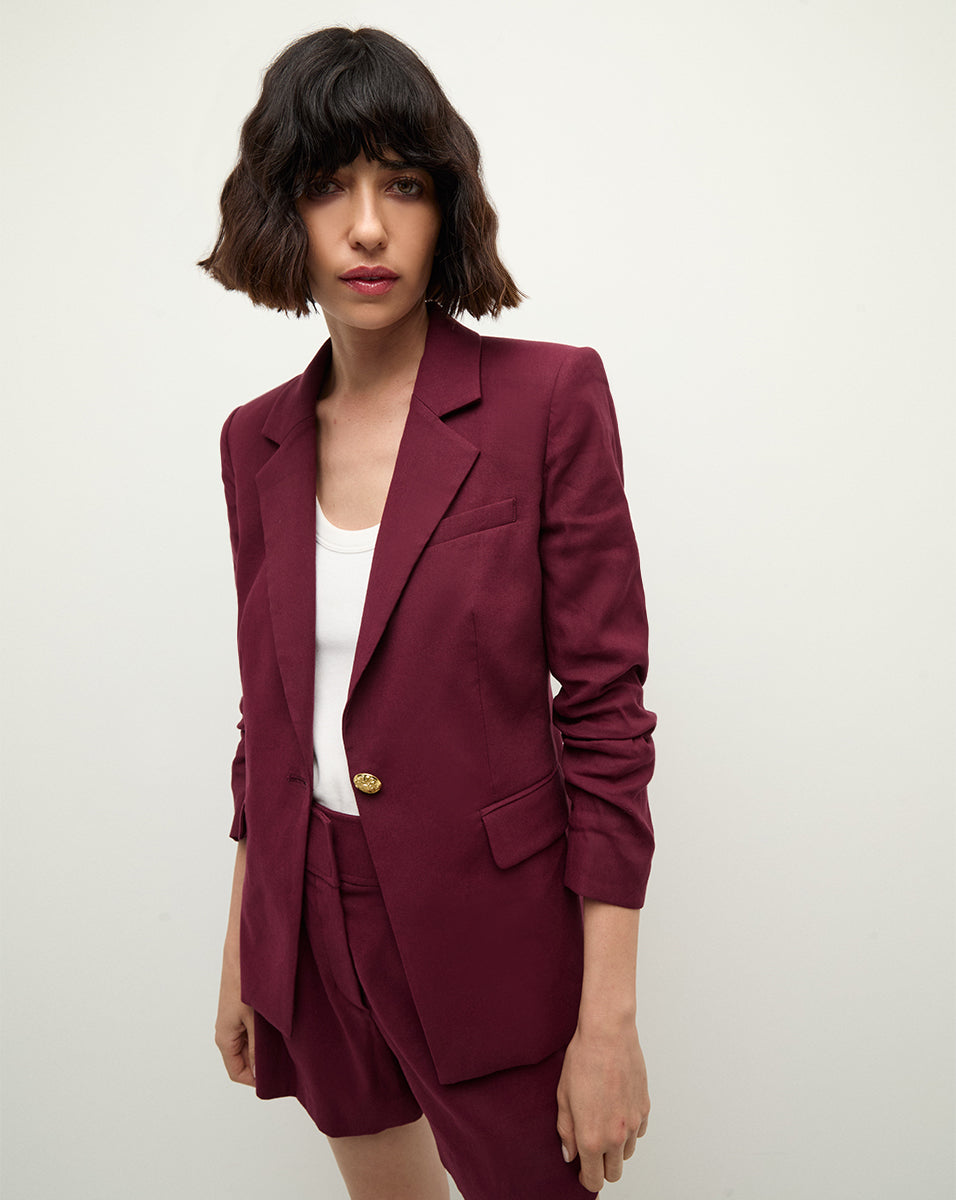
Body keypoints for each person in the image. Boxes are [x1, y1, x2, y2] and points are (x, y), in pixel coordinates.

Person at [199, 25, 655, 1200]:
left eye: (401, 185)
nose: (366, 227)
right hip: (307, 923)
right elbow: (269, 716)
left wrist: (606, 1022)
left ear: (445, 207)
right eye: (327, 186)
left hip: (488, 929)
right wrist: (245, 948)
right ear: (281, 213)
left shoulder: (545, 399)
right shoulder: (254, 441)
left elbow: (604, 716)